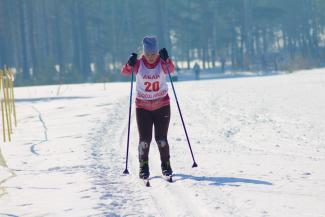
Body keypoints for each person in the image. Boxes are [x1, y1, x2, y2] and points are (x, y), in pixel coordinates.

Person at [121, 36, 175, 179]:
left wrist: (167, 59)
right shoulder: (138, 64)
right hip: (143, 107)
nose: (151, 57)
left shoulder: (161, 62)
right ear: (143, 53)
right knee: (144, 140)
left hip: (162, 105)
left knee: (161, 139)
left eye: (153, 54)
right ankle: (143, 166)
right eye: (148, 54)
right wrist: (129, 64)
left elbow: (171, 69)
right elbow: (125, 72)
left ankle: (166, 164)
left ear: (157, 52)